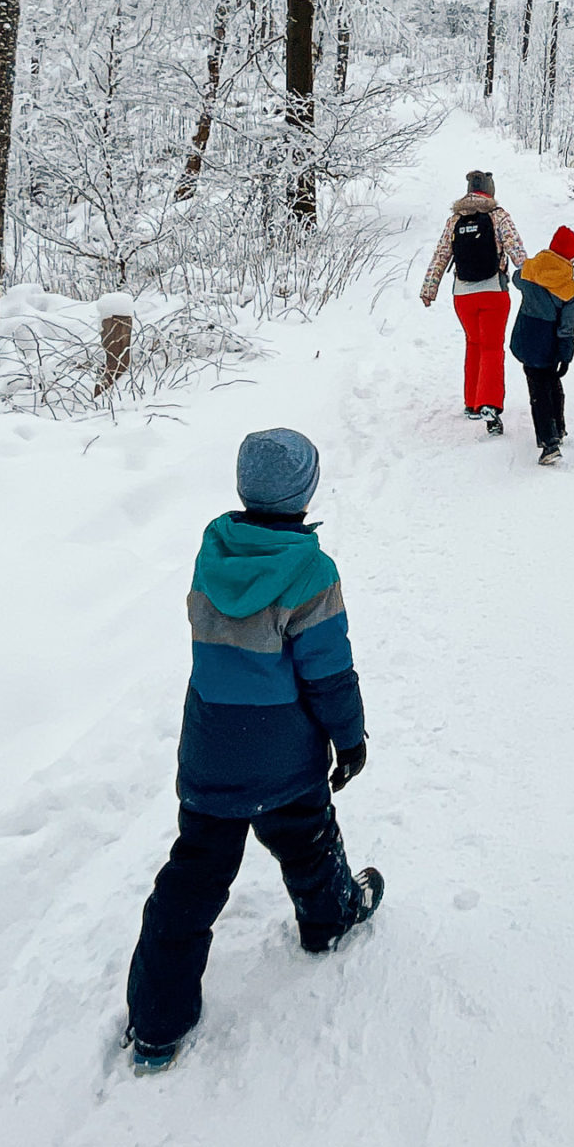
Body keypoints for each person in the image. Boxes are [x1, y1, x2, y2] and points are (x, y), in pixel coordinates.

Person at [123, 427, 382, 1072]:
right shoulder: (311, 572)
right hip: (284, 759)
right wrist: (349, 740)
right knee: (309, 843)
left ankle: (157, 1022)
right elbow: (328, 673)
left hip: (212, 752)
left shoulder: (214, 551)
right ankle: (330, 920)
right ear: (304, 492)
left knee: (192, 879)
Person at [420, 169, 526, 434]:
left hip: (462, 295)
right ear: (490, 191)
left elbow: (441, 255)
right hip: (493, 292)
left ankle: (471, 402)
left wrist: (429, 289)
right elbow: (516, 250)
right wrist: (533, 281)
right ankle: (488, 404)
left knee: (474, 343)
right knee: (491, 347)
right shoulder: (498, 216)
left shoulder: (455, 219)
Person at [510, 225, 574, 466]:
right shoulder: (571, 289)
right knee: (552, 382)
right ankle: (556, 432)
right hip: (551, 343)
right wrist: (566, 354)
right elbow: (567, 327)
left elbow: (515, 279)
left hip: (528, 338)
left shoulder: (531, 269)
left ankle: (548, 441)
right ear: (572, 257)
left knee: (537, 389)